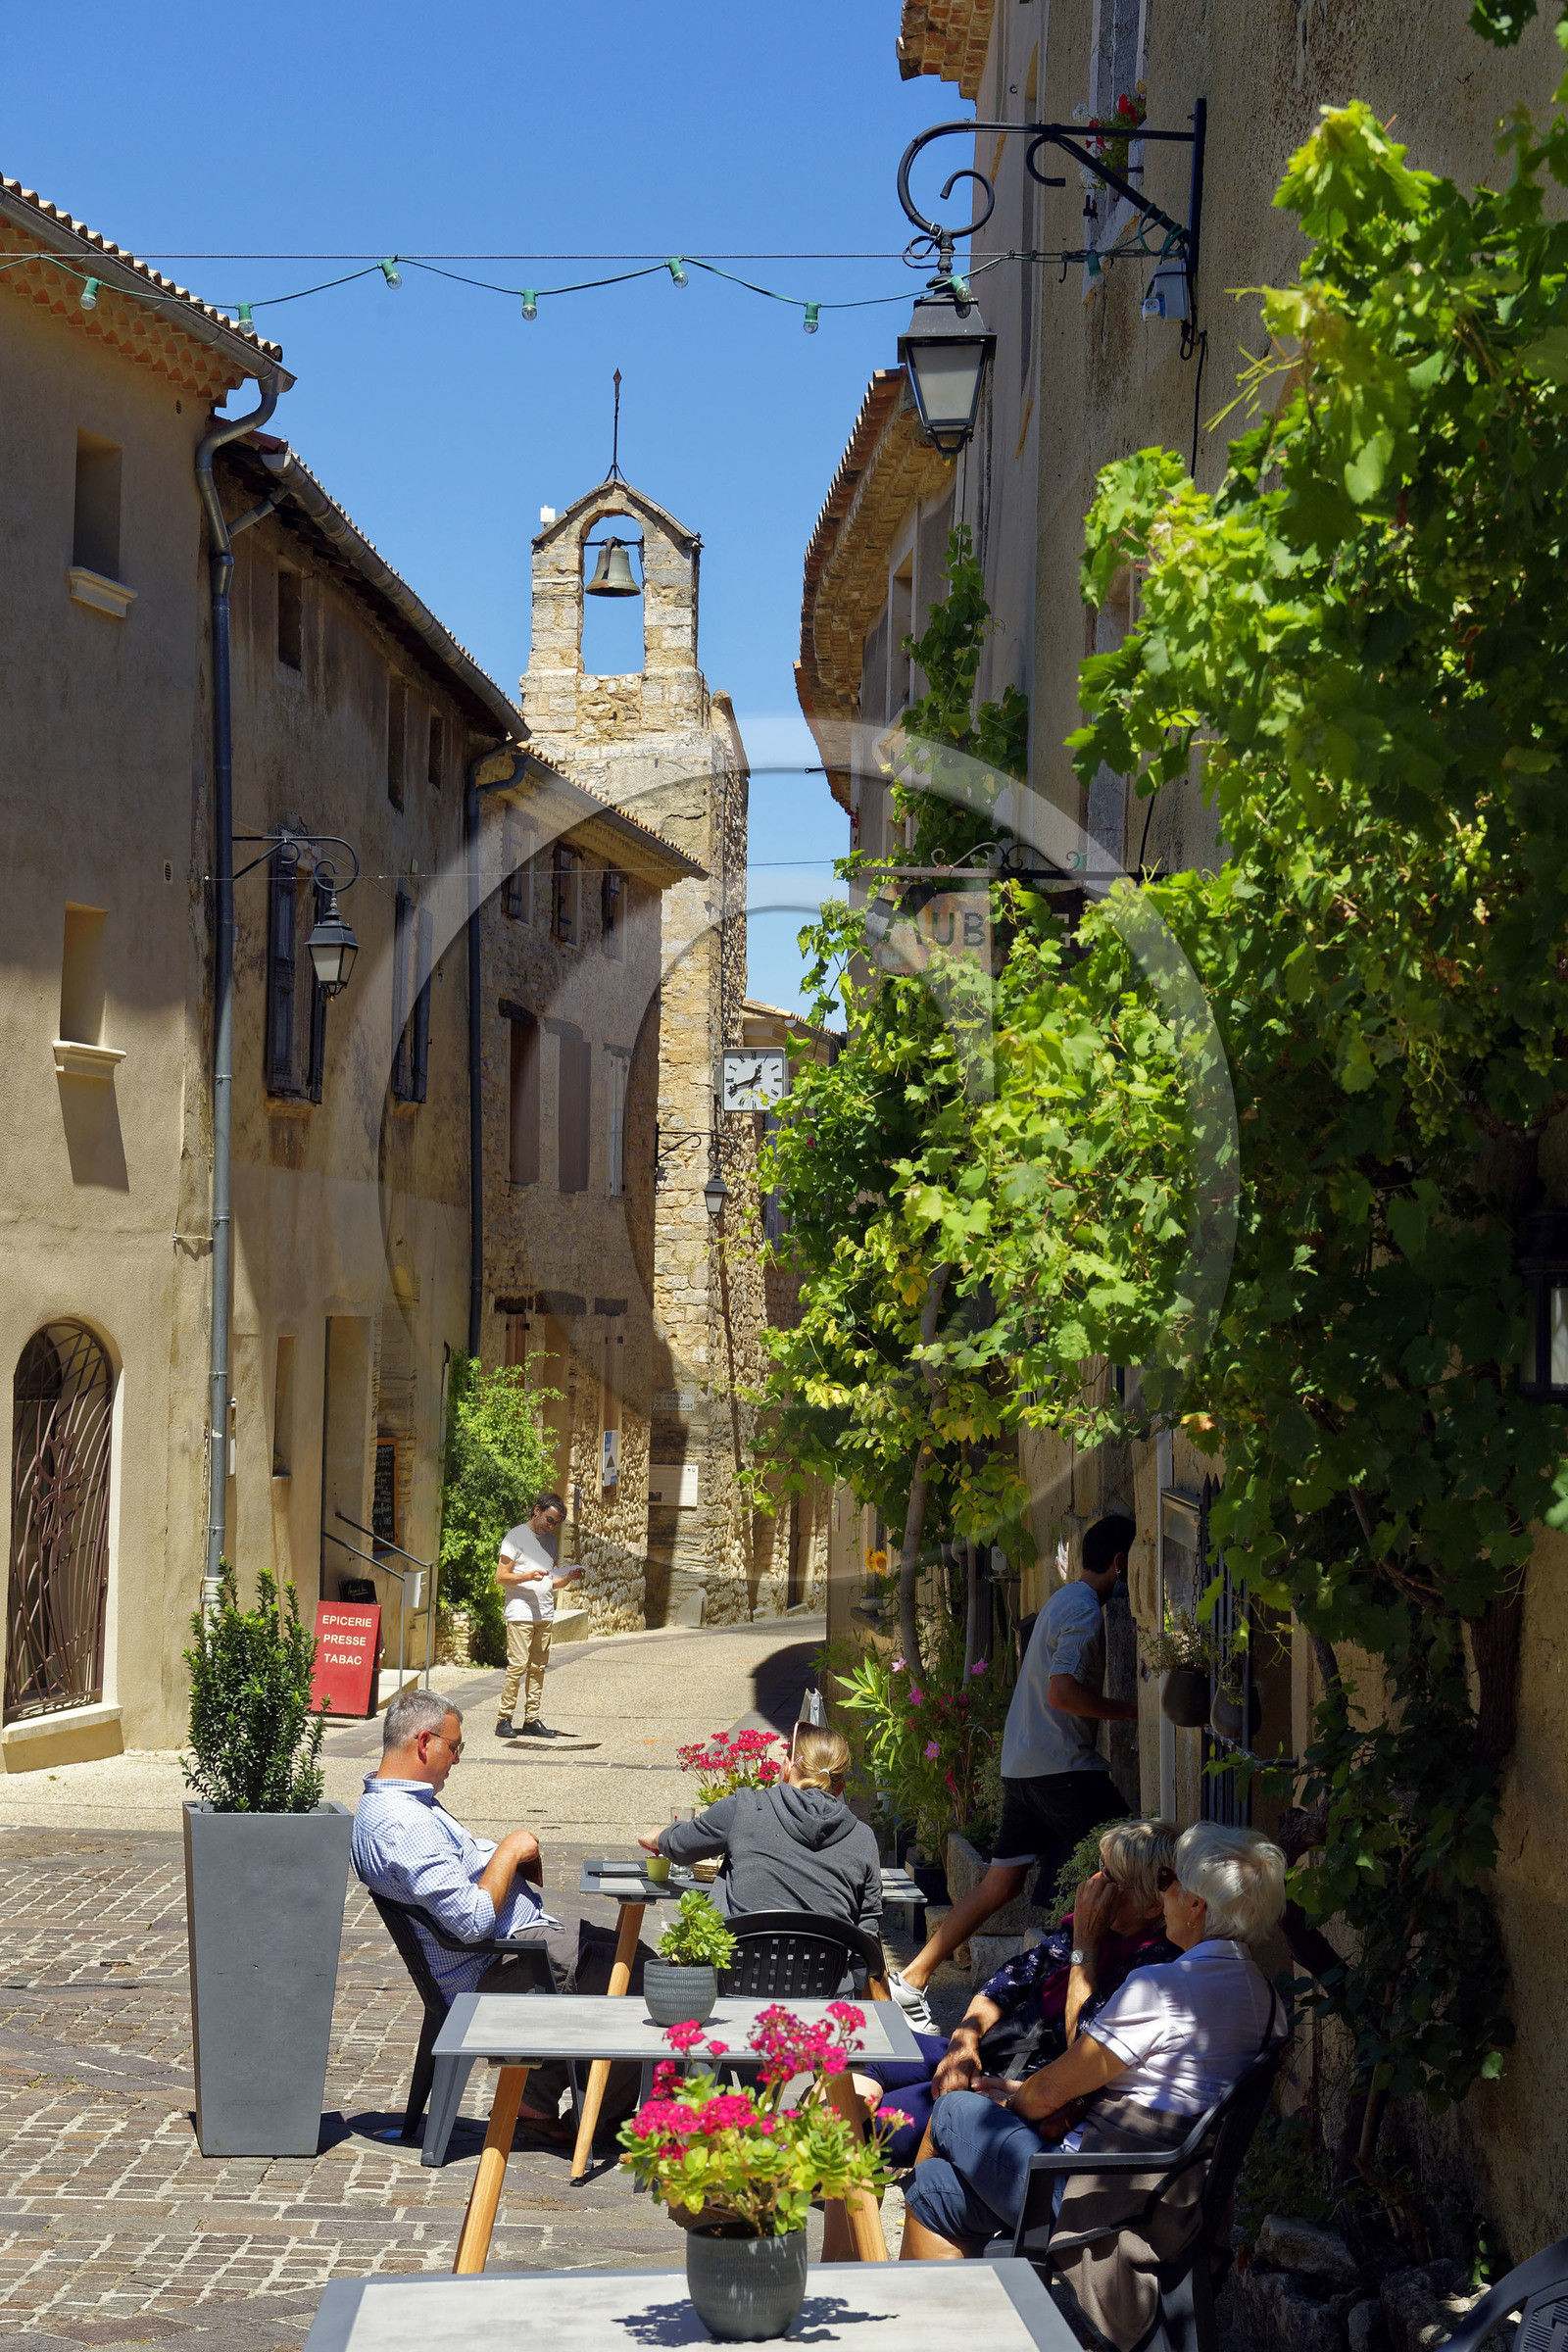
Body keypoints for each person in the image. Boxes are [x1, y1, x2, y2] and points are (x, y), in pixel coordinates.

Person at [900, 1822, 1289, 2350]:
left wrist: (1006, 2097)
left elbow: (1045, 2095)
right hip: (1175, 2201)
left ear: (1195, 1905)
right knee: (937, 2191)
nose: (1164, 1890)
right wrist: (1013, 2093)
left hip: (1095, 2197)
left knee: (951, 2112)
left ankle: (907, 2320)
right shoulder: (1264, 2001)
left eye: (1171, 1880)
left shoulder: (1164, 1987)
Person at [353, 1686, 651, 2143]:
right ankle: (601, 2125)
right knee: (643, 1978)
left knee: (627, 1952)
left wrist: (500, 1855)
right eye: (454, 1747)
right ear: (424, 1743)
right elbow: (470, 1921)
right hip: (493, 1964)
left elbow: (453, 1867)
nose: (457, 1759)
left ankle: (534, 2101)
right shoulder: (403, 1824)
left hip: (508, 1948)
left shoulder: (395, 1804)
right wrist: (510, 1851)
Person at [887, 1512, 1140, 2032]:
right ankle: (1081, 1998)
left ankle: (913, 1975)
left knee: (1000, 1883)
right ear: (1120, 1562)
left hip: (1022, 1764)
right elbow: (1062, 1693)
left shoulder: (1062, 1599)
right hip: (1061, 1766)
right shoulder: (1088, 1610)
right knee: (1133, 1860)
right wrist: (1134, 1711)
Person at [855, 1818, 1179, 2165]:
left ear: (1152, 1904)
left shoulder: (1151, 1967)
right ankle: (845, 2159)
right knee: (860, 2045)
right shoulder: (1082, 1933)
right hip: (996, 2049)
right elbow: (1006, 1982)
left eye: (1113, 1881)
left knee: (871, 2126)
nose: (1095, 1885)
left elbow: (1082, 2044)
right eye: (1101, 1869)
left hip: (1019, 2083)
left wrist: (1087, 1943)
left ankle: (831, 2169)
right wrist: (963, 2043)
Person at [638, 1724, 882, 1929]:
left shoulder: (745, 1808)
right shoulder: (863, 1837)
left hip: (737, 1976)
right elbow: (868, 1924)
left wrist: (659, 1837)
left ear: (786, 1768)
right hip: (826, 1981)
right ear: (839, 1788)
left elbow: (682, 1847)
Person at [495, 1490, 580, 1740]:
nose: (550, 1526)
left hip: (544, 1612)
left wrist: (567, 1577)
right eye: (549, 1519)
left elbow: (550, 1582)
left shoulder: (550, 1542)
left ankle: (532, 1718)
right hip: (520, 1611)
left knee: (538, 1667)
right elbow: (501, 1576)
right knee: (518, 1666)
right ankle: (504, 1718)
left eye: (556, 1523)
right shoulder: (515, 1537)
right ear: (537, 1511)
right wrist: (527, 1576)